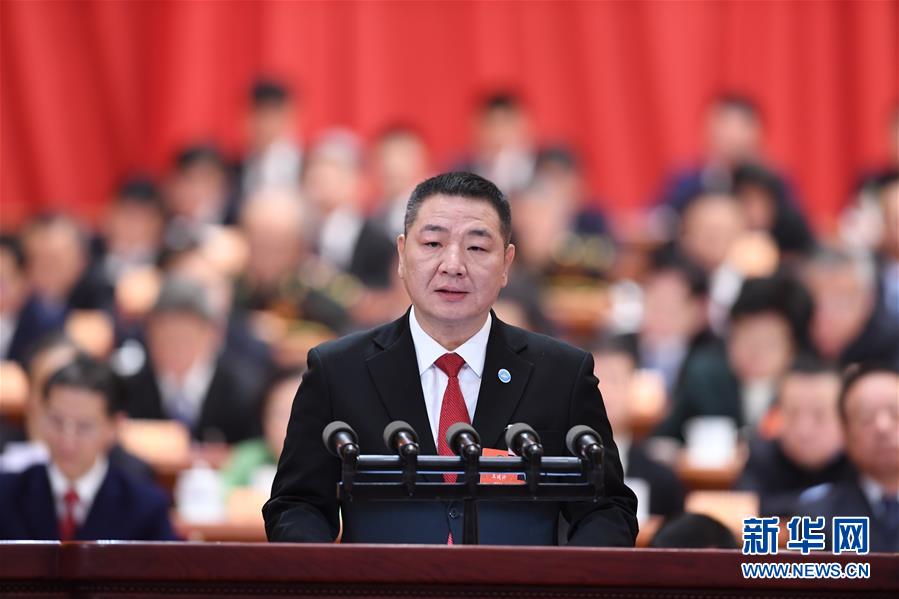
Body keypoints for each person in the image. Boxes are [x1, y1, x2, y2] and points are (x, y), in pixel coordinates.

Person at [264, 172, 637, 545]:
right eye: (433, 243)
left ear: (507, 264)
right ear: (401, 255)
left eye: (476, 248)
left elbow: (607, 509)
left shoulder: (560, 375)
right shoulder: (338, 371)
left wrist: (565, 576)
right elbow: (297, 505)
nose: (453, 264)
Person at [0, 354, 176, 540]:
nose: (67, 439)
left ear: (114, 427)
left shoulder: (144, 507)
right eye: (57, 421)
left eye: (84, 426)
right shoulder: (6, 495)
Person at [798, 363, 899, 553]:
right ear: (845, 433)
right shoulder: (817, 517)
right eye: (866, 417)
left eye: (895, 413)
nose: (882, 427)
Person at [736, 358, 855, 517]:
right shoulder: (762, 457)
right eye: (792, 414)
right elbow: (745, 509)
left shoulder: (860, 462)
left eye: (819, 415)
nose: (803, 430)